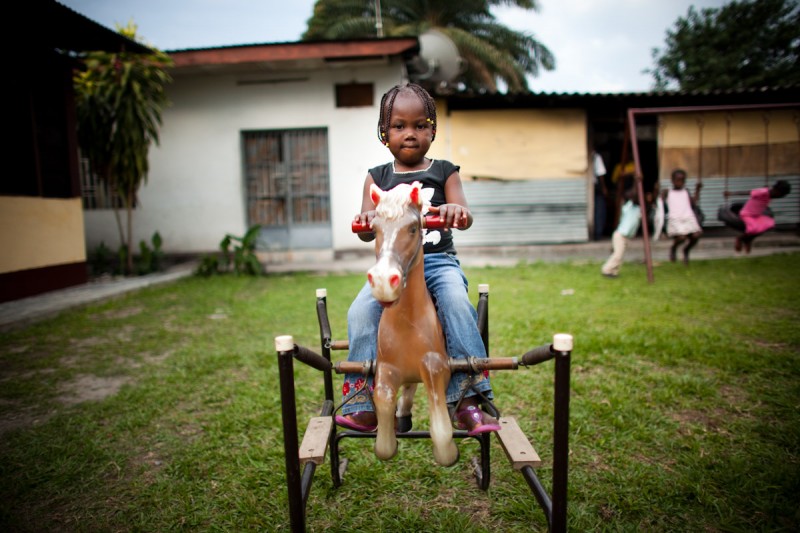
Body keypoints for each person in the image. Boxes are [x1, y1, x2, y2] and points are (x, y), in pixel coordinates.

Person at [336, 83, 500, 436]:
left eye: (420, 125)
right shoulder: (376, 177)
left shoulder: (444, 171)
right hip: (393, 264)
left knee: (457, 303)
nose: (410, 134)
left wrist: (457, 210)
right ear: (384, 132)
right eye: (399, 126)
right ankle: (363, 400)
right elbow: (367, 229)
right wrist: (366, 221)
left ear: (433, 131)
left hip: (437, 262)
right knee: (360, 311)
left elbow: (466, 216)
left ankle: (469, 397)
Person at [723, 180, 791, 254]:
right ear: (776, 190)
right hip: (747, 214)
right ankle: (740, 238)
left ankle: (748, 240)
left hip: (756, 216)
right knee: (754, 229)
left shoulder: (771, 194)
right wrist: (731, 193)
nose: (779, 197)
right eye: (780, 195)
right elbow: (748, 192)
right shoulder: (762, 192)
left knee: (769, 224)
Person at [662, 169, 703, 264]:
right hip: (675, 219)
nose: (680, 182)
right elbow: (658, 202)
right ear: (672, 180)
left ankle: (686, 250)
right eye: (678, 180)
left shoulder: (686, 191)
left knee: (696, 235)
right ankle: (673, 248)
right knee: (682, 237)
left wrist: (697, 190)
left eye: (683, 180)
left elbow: (693, 203)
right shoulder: (668, 191)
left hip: (687, 217)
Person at [601, 187, 641, 278]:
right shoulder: (627, 207)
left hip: (627, 236)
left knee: (620, 255)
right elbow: (633, 198)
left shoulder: (638, 208)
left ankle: (614, 271)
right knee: (617, 254)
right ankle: (606, 269)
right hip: (620, 235)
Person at [592, 149, 608, 240]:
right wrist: (604, 188)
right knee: (599, 209)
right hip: (596, 187)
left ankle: (597, 233)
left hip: (592, 187)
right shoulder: (596, 157)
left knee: (597, 210)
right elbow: (600, 174)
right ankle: (597, 233)